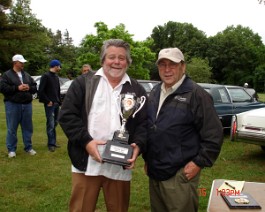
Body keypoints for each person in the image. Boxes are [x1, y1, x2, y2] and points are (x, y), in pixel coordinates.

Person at [58, 39, 147, 212]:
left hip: (119, 165)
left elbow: (144, 124)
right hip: (86, 162)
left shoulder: (136, 89)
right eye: (111, 57)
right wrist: (86, 142)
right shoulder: (83, 83)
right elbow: (67, 116)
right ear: (102, 60)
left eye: (122, 58)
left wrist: (139, 146)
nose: (116, 62)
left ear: (128, 62)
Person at [143, 48, 223, 212]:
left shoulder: (196, 94)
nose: (167, 70)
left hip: (179, 175)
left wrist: (198, 163)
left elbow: (214, 134)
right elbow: (151, 127)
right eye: (162, 65)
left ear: (183, 67)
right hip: (155, 171)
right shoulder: (155, 91)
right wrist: (147, 159)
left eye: (172, 64)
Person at [0, 54, 37, 158]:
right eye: (21, 63)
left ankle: (28, 147)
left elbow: (34, 87)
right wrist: (17, 88)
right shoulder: (6, 75)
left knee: (28, 127)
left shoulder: (27, 75)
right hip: (12, 104)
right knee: (12, 128)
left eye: (23, 62)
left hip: (27, 104)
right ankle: (11, 150)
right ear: (15, 63)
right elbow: (3, 88)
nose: (23, 64)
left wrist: (29, 87)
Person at [38, 59, 62, 152]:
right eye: (59, 66)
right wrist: (47, 101)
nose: (60, 68)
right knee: (50, 124)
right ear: (55, 66)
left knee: (55, 122)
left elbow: (57, 91)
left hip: (56, 104)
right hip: (49, 104)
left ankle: (53, 141)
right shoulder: (46, 76)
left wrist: (59, 102)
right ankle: (51, 144)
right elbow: (41, 91)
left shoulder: (56, 77)